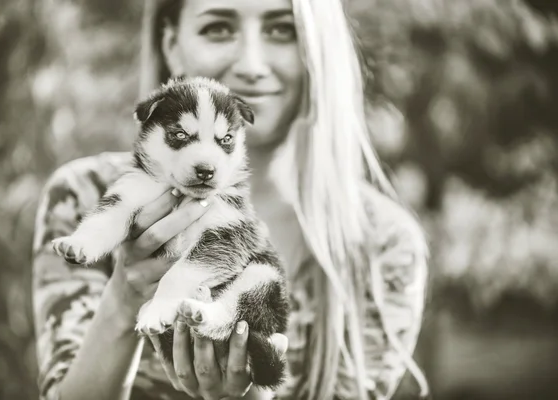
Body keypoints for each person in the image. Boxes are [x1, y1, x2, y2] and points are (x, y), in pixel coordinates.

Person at [31, 0, 430, 399]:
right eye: (218, 28)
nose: (252, 65)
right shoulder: (84, 194)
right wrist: (121, 304)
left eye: (281, 29)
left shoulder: (384, 243)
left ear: (318, 47)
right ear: (171, 45)